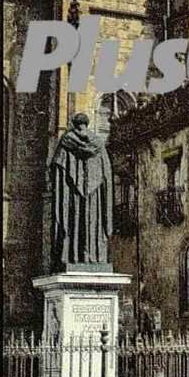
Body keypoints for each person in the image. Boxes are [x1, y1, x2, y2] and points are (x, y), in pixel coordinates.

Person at [51, 112, 113, 270]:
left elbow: (58, 170)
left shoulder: (66, 142)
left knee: (74, 220)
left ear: (73, 123)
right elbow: (106, 174)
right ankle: (94, 256)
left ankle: (72, 255)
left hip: (73, 196)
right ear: (87, 123)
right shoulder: (98, 144)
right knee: (93, 221)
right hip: (95, 198)